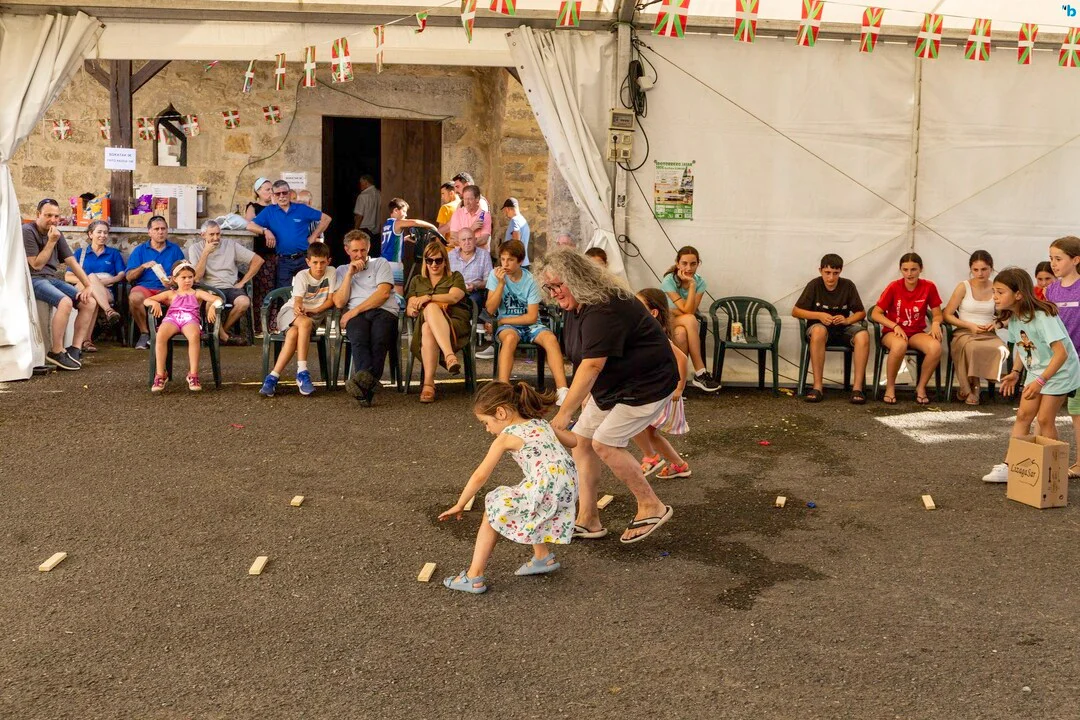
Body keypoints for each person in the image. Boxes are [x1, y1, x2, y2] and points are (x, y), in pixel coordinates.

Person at [540, 248, 677, 544]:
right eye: (549, 287)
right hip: (614, 385)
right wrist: (585, 396)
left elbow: (592, 365)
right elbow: (585, 360)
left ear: (576, 279)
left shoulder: (603, 307)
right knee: (582, 442)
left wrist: (564, 413)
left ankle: (651, 505)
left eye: (557, 285)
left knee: (604, 443)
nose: (553, 293)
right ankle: (588, 519)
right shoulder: (577, 306)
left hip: (647, 383)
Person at [438, 381, 578, 594]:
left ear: (501, 413)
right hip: (568, 486)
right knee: (528, 505)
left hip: (546, 487)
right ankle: (542, 557)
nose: (487, 429)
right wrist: (553, 428)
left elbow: (480, 475)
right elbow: (573, 441)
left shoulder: (505, 438)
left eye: (486, 423)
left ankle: (474, 576)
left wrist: (460, 504)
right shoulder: (540, 423)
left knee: (494, 508)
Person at [981, 267, 1080, 483]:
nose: (995, 296)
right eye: (994, 292)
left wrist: (1041, 381)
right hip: (1038, 370)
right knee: (1023, 415)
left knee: (1044, 419)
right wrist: (1015, 372)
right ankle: (1010, 465)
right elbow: (1024, 347)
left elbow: (1061, 354)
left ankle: (1054, 471)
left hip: (1061, 370)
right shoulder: (1015, 318)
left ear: (1018, 294)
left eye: (1000, 292)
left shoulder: (1043, 316)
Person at [482, 240, 569, 399]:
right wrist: (501, 284)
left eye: (510, 260)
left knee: (550, 339)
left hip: (528, 324)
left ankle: (562, 390)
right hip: (508, 327)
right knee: (509, 338)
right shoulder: (495, 275)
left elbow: (531, 317)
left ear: (520, 261)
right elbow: (490, 309)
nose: (505, 264)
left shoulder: (531, 280)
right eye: (503, 259)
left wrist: (502, 321)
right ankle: (504, 390)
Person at [23, 198, 100, 370]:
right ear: (38, 214)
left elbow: (72, 262)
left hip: (51, 279)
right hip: (33, 279)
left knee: (89, 302)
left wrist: (88, 285)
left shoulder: (57, 234)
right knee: (65, 302)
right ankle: (56, 351)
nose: (53, 220)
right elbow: (36, 265)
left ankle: (75, 349)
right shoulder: (28, 231)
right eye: (48, 215)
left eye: (56, 216)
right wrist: (51, 241)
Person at [259, 242, 338, 398]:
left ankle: (272, 377)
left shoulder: (331, 272)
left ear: (328, 261)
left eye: (322, 262)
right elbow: (297, 301)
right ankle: (302, 372)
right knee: (304, 322)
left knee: (294, 333)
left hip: (313, 315)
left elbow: (330, 300)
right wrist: (299, 308)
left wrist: (314, 310)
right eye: (315, 262)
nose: (319, 266)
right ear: (308, 262)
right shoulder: (302, 275)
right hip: (290, 313)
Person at [791, 253, 870, 404]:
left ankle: (857, 388)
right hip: (818, 330)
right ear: (820, 270)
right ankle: (817, 387)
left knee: (863, 335)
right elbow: (796, 311)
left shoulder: (848, 285)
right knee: (819, 331)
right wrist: (819, 315)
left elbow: (861, 313)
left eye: (835, 273)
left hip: (841, 329)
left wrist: (847, 320)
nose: (831, 277)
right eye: (827, 273)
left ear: (841, 271)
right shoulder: (814, 285)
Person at [334, 230, 399, 406]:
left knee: (379, 339)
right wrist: (349, 275)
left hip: (383, 310)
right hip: (358, 316)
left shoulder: (380, 263)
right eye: (355, 251)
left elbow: (383, 294)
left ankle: (362, 387)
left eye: (363, 250)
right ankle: (367, 386)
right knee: (359, 339)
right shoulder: (341, 270)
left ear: (369, 248)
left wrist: (353, 311)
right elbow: (339, 302)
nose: (359, 255)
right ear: (347, 250)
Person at [870, 252, 944, 405]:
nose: (909, 274)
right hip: (893, 332)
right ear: (901, 270)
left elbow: (937, 314)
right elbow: (875, 313)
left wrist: (936, 323)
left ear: (921, 269)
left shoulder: (929, 286)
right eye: (905, 270)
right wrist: (894, 325)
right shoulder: (893, 286)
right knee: (900, 345)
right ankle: (890, 387)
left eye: (913, 269)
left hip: (916, 333)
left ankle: (921, 387)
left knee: (935, 347)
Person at [634, 288, 692, 480]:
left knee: (638, 425)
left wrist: (679, 387)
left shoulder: (656, 334)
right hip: (652, 389)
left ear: (653, 312)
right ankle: (678, 465)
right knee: (647, 431)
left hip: (661, 391)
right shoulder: (644, 331)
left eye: (639, 305)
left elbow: (682, 359)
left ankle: (652, 457)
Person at [405, 241, 471, 403]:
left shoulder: (455, 277)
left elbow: (454, 297)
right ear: (425, 261)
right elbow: (410, 306)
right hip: (425, 325)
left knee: (430, 309)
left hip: (454, 323)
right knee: (428, 325)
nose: (434, 264)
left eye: (438, 260)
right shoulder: (417, 280)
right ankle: (449, 358)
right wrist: (413, 310)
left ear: (445, 261)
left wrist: (428, 297)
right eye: (429, 260)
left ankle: (428, 384)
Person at [144, 261, 222, 393]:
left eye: (190, 277)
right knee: (161, 334)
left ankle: (193, 374)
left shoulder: (197, 293)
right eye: (183, 277)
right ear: (175, 279)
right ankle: (160, 374)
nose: (187, 280)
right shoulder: (171, 294)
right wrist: (154, 303)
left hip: (190, 319)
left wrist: (213, 307)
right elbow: (146, 300)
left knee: (194, 335)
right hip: (172, 319)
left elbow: (218, 299)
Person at [943, 250, 1007, 406]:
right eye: (976, 269)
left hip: (988, 333)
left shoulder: (997, 288)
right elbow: (947, 314)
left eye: (984, 269)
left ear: (991, 268)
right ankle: (974, 388)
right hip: (965, 332)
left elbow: (1008, 315)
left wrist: (996, 324)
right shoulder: (963, 286)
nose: (980, 273)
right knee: (972, 348)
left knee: (1001, 349)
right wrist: (969, 325)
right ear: (970, 269)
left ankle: (968, 387)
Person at [188, 219, 264, 346]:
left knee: (244, 302)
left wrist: (243, 282)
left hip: (230, 287)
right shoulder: (195, 248)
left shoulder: (230, 245)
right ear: (203, 235)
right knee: (211, 303)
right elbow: (197, 277)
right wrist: (205, 253)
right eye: (211, 234)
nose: (216, 238)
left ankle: (221, 333)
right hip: (210, 288)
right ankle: (225, 337)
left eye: (218, 234)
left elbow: (258, 260)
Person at [246, 180, 330, 290]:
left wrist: (313, 236)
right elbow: (249, 225)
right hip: (283, 260)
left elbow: (326, 219)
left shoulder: (301, 209)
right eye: (278, 194)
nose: (281, 196)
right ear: (273, 196)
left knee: (308, 291)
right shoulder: (269, 211)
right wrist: (265, 231)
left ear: (289, 193)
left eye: (284, 193)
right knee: (283, 293)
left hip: (304, 258)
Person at [661, 246, 720, 392]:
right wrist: (678, 310)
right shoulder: (669, 280)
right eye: (684, 263)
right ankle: (700, 372)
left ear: (698, 264)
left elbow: (690, 310)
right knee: (690, 320)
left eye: (693, 264)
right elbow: (688, 311)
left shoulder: (700, 282)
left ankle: (679, 384)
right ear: (677, 263)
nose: (689, 268)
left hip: (682, 323)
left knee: (681, 333)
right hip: (665, 321)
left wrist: (692, 285)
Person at [126, 215, 186, 351]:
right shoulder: (140, 250)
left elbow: (183, 273)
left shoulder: (175, 249)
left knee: (182, 300)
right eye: (156, 229)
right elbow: (129, 277)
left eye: (163, 229)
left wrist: (174, 280)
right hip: (145, 288)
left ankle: (167, 333)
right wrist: (142, 267)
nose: (160, 232)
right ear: (149, 232)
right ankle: (144, 333)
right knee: (134, 297)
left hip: (168, 290)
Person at [1046, 236, 1080, 477]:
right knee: (1044, 416)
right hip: (1057, 361)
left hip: (1078, 360)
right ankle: (1050, 467)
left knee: (1077, 414)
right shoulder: (1051, 290)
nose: (1053, 264)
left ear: (1076, 260)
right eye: (1051, 258)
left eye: (1058, 258)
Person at [65, 219, 124, 353]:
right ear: (90, 234)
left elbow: (121, 275)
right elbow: (68, 276)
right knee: (91, 285)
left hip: (106, 291)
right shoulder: (80, 253)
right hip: (82, 290)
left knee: (92, 295)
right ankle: (108, 311)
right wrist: (90, 282)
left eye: (105, 232)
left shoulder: (113, 253)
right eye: (99, 232)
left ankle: (85, 341)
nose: (103, 235)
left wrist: (101, 282)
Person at [381, 198, 438, 293]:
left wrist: (404, 239)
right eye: (404, 211)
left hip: (384, 262)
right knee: (398, 291)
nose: (406, 215)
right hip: (394, 263)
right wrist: (432, 226)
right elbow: (415, 222)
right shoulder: (397, 223)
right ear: (396, 210)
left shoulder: (386, 225)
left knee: (386, 290)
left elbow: (390, 242)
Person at [246, 178, 276, 333]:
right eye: (267, 189)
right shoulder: (253, 207)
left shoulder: (276, 207)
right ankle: (260, 325)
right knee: (263, 289)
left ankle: (274, 324)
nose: (270, 192)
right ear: (258, 191)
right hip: (262, 253)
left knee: (277, 288)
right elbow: (249, 225)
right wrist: (265, 230)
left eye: (272, 189)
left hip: (277, 253)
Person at [448, 226, 492, 312]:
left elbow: (489, 281)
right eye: (463, 240)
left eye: (470, 239)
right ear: (459, 242)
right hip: (453, 291)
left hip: (474, 292)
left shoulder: (484, 255)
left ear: (475, 240)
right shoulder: (450, 255)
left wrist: (475, 285)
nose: (467, 242)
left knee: (472, 301)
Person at [501, 198, 530, 267]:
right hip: (524, 262)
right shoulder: (523, 220)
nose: (505, 213)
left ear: (507, 209)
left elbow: (516, 240)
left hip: (516, 264)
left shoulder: (514, 220)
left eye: (504, 210)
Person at [352, 174, 381, 240]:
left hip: (364, 230)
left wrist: (355, 231)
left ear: (366, 182)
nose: (360, 184)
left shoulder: (362, 196)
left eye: (361, 182)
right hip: (376, 231)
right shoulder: (379, 194)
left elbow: (359, 216)